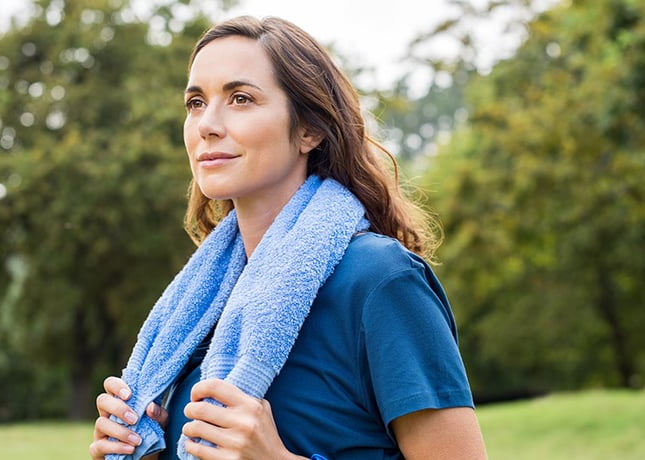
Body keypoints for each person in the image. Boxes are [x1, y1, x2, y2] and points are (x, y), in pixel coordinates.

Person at [90, 15, 487, 460]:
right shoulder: (203, 305)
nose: (207, 124)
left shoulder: (380, 279)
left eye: (240, 99)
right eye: (196, 103)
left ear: (309, 130)